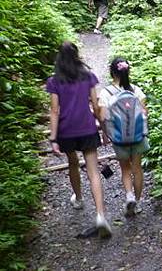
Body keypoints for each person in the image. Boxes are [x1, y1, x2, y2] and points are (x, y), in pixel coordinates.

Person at [47, 41, 112, 238]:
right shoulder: (88, 76)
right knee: (93, 171)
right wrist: (104, 130)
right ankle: (100, 215)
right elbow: (96, 105)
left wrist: (53, 138)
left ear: (59, 57)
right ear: (76, 56)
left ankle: (79, 197)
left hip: (66, 131)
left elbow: (55, 110)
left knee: (72, 163)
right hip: (87, 128)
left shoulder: (55, 80)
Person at [99, 58, 149, 217]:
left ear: (112, 72)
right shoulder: (136, 90)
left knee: (125, 169)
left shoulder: (105, 93)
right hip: (138, 135)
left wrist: (105, 134)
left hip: (119, 137)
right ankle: (138, 203)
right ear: (128, 71)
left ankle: (129, 195)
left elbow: (102, 116)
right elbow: (144, 113)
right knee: (137, 168)